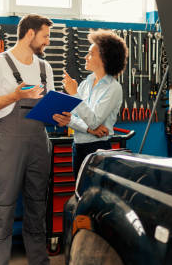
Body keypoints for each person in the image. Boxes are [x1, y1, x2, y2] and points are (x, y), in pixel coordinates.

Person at [0, 14, 63, 265]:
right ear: (29, 34)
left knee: (38, 214)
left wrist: (60, 117)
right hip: (8, 145)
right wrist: (14, 96)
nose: (47, 42)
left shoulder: (44, 67)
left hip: (40, 142)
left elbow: (48, 111)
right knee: (0, 213)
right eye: (45, 36)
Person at [53, 29, 127, 177]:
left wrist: (74, 94)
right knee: (80, 193)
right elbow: (70, 117)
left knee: (95, 194)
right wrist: (88, 130)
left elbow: (93, 121)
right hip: (78, 147)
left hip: (98, 149)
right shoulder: (86, 84)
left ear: (105, 59)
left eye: (91, 54)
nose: (86, 57)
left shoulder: (113, 88)